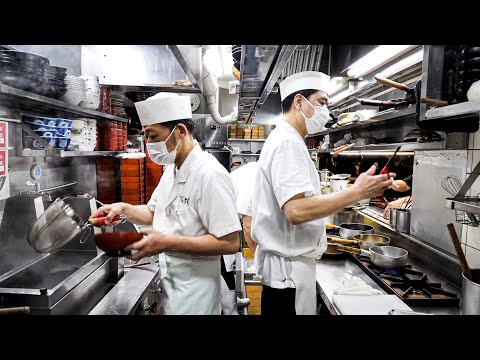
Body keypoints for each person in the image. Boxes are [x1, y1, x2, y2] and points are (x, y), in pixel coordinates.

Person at [250, 71, 396, 315]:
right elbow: (296, 211)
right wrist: (357, 192)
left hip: (290, 275)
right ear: (299, 102)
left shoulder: (288, 139)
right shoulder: (287, 143)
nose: (326, 112)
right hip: (289, 278)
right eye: (322, 103)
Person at [91, 92, 242, 315]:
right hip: (172, 287)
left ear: (180, 131)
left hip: (196, 294)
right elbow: (154, 211)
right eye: (146, 137)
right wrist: (123, 209)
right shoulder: (173, 170)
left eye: (153, 136)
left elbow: (230, 243)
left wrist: (167, 242)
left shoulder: (209, 174)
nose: (148, 144)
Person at [220, 161, 259, 314]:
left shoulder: (258, 170)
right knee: (224, 265)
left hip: (230, 218)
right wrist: (257, 257)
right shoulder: (253, 180)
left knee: (231, 261)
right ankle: (230, 309)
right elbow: (248, 227)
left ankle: (233, 299)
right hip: (219, 220)